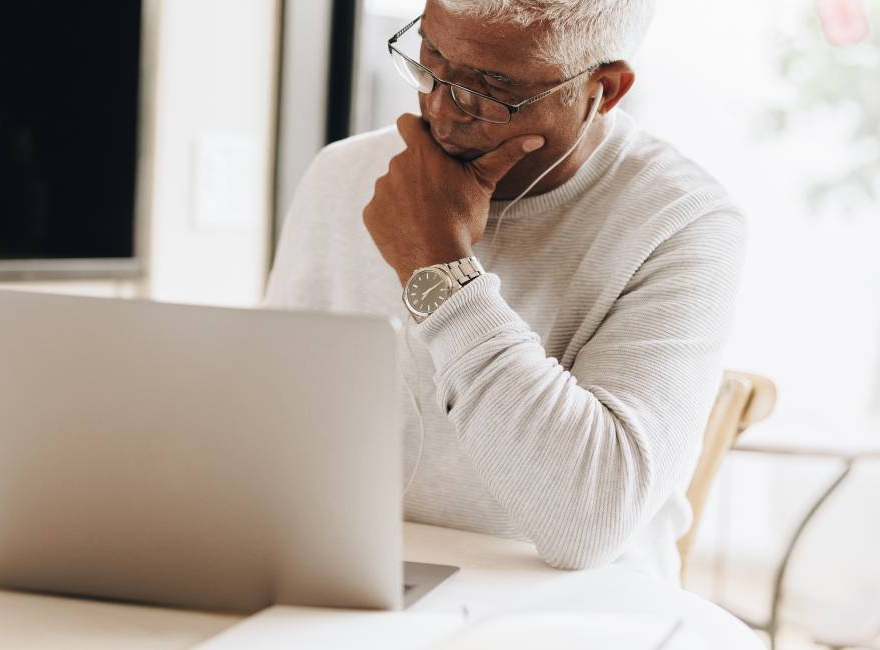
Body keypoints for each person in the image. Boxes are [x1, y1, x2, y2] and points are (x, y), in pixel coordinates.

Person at [264, 0, 745, 582]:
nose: (441, 110)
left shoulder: (684, 221)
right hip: (353, 582)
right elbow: (272, 432)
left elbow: (587, 521)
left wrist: (440, 273)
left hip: (571, 613)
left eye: (492, 88)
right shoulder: (342, 174)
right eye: (431, 56)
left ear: (605, 90)